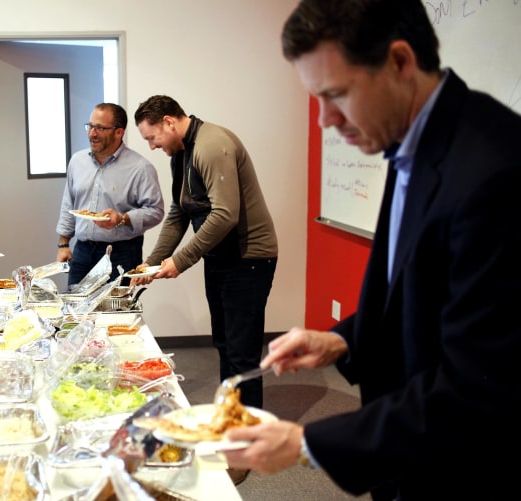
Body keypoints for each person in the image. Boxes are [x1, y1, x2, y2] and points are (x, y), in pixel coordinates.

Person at [223, 1, 521, 499]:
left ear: (400, 62)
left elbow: (477, 387)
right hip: (410, 454)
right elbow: (414, 297)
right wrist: (342, 339)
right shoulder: (410, 141)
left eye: (336, 94)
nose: (325, 120)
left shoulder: (496, 171)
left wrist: (306, 443)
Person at [132, 94, 278, 441]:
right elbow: (180, 213)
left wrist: (180, 261)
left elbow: (225, 214)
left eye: (152, 138)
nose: (152, 146)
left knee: (242, 356)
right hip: (220, 258)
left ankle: (247, 440)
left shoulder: (212, 145)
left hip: (249, 260)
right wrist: (151, 263)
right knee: (224, 345)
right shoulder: (180, 153)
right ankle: (230, 423)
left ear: (169, 122)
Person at [55, 102, 164, 286]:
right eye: (90, 126)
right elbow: (69, 204)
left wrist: (123, 218)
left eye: (100, 128)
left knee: (117, 312)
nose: (92, 133)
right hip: (82, 251)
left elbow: (156, 211)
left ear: (118, 132)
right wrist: (63, 244)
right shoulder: (77, 161)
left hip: (121, 253)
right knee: (75, 311)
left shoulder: (140, 168)